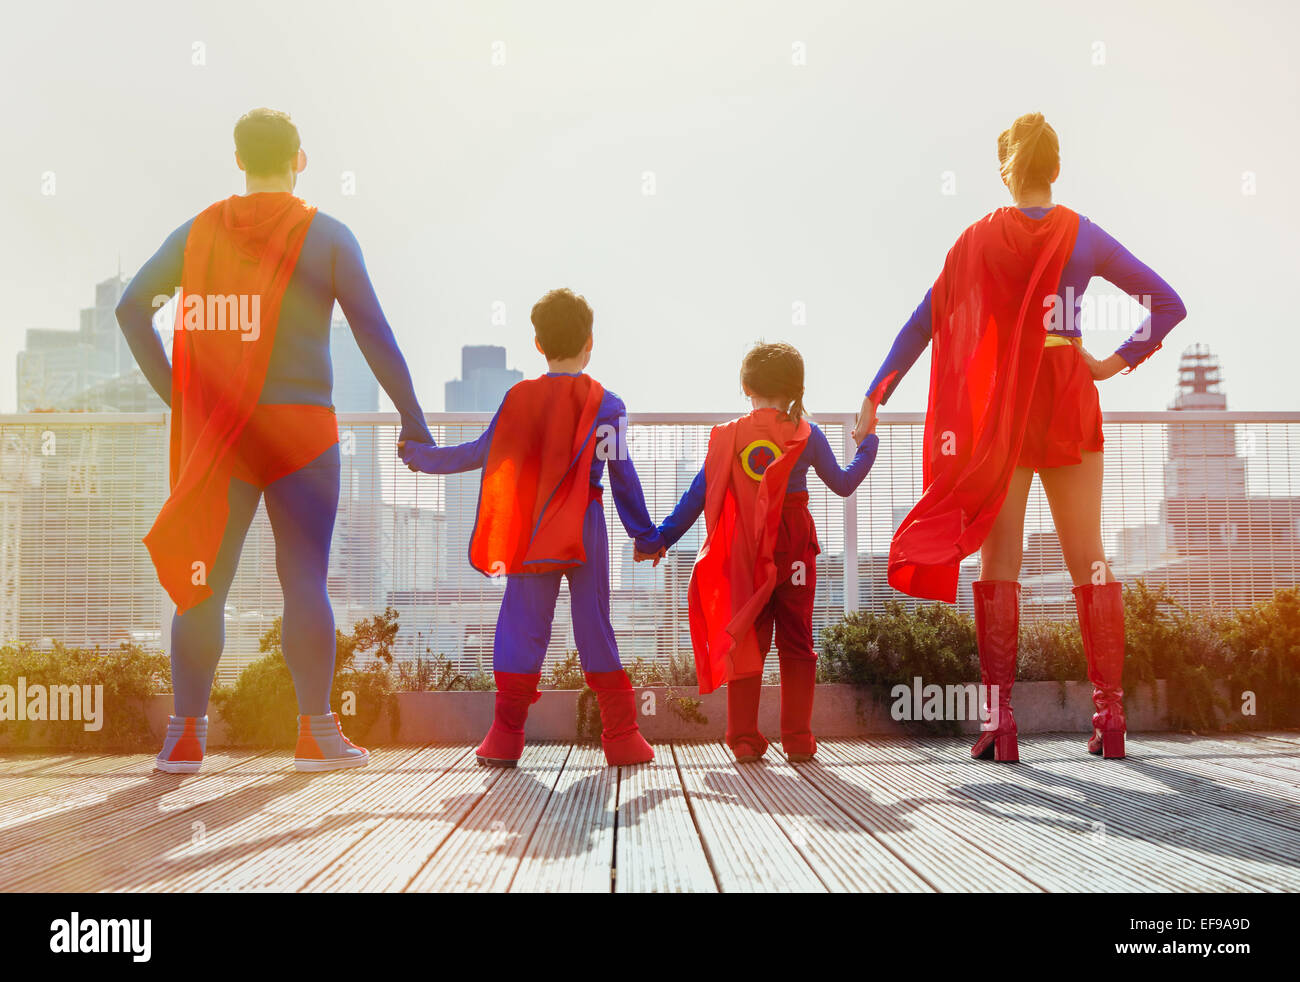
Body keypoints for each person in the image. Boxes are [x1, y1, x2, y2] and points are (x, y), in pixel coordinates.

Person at [851, 112, 1187, 762]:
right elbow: (1168, 303)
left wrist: (875, 393)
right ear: (1055, 168)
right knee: (1088, 558)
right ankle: (1109, 720)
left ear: (1005, 170)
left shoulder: (977, 240)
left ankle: (1000, 726)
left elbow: (925, 322)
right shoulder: (1083, 235)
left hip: (1001, 411)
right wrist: (1108, 363)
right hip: (1066, 395)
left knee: (998, 563)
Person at [115, 108, 435, 773]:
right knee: (305, 583)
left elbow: (130, 308)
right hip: (301, 431)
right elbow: (375, 334)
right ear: (301, 158)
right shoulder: (329, 237)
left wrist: (181, 398)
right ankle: (317, 734)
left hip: (224, 433)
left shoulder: (195, 232)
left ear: (238, 159)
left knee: (204, 585)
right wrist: (412, 418)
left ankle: (184, 736)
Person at [399, 288, 661, 768]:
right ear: (590, 341)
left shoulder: (518, 397)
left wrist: (418, 456)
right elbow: (624, 476)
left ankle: (505, 738)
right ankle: (622, 737)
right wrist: (645, 537)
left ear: (537, 344)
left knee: (521, 625)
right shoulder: (609, 404)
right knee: (594, 626)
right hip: (586, 524)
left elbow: (478, 453)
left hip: (534, 529)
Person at [647, 342, 878, 763]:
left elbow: (698, 495)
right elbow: (844, 484)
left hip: (748, 550)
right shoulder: (807, 433)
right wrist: (869, 444)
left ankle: (743, 739)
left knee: (749, 638)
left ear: (745, 385)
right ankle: (798, 739)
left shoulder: (729, 435)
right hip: (793, 547)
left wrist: (661, 539)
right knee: (798, 639)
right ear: (796, 388)